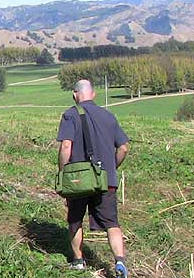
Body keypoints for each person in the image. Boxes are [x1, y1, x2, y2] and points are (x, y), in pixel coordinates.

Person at [57, 80, 130, 277]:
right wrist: (111, 167)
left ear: (75, 95)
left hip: (79, 179)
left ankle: (79, 261)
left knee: (75, 220)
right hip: (106, 179)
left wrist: (63, 173)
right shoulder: (109, 116)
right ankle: (120, 261)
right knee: (112, 223)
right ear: (94, 94)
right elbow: (123, 147)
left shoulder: (70, 114)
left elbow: (66, 146)